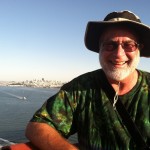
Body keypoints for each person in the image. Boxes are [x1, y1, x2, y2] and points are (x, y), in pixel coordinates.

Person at [25, 10, 150, 150]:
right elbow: (38, 125)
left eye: (129, 45)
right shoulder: (80, 88)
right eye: (110, 45)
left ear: (139, 49)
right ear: (100, 49)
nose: (119, 54)